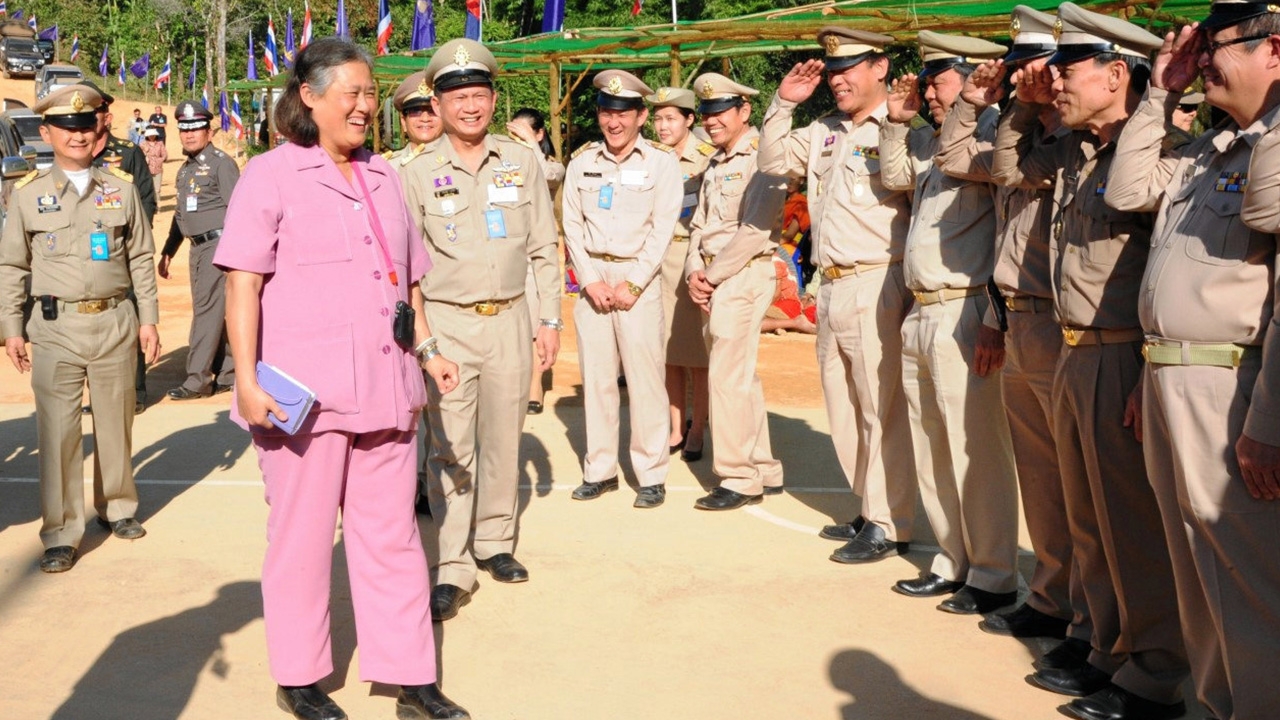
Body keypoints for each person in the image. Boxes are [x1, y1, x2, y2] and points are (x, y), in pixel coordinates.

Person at [215, 37, 470, 720]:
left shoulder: (384, 176)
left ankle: (410, 676)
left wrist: (429, 350)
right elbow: (243, 285)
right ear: (310, 96)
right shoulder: (269, 175)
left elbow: (404, 284)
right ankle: (299, 675)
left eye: (368, 93)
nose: (365, 106)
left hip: (387, 389)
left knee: (391, 535)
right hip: (305, 398)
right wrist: (244, 379)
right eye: (351, 93)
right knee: (300, 540)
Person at [992, 6, 1190, 719]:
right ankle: (1107, 643)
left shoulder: (1164, 149)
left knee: (1130, 523)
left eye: (1068, 69)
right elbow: (1006, 166)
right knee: (1089, 520)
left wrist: (1143, 369)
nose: (1056, 81)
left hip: (1120, 357)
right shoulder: (1075, 152)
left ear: (1117, 74)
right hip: (1073, 349)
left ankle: (1156, 668)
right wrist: (1024, 102)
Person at [1109, 4, 1280, 718]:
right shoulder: (1210, 150)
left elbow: (1268, 219)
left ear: (1276, 50)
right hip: (1172, 375)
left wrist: (1268, 422)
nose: (1203, 57)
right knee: (1195, 568)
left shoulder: (1269, 147)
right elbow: (1124, 191)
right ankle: (1216, 706)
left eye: (1219, 46)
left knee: (1250, 584)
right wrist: (1160, 94)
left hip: (1233, 385)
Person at [934, 6, 1084, 643]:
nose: (1027, 81)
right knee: (1042, 478)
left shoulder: (1078, 142)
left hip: (1066, 323)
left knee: (1083, 485)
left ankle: (1092, 618)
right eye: (1018, 70)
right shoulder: (1015, 135)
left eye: (1037, 70)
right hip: (1018, 317)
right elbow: (956, 156)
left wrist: (1021, 114)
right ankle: (1052, 597)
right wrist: (978, 100)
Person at [400, 39, 561, 621]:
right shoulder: (415, 174)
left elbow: (545, 245)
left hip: (514, 319)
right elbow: (406, 270)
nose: (471, 106)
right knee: (450, 447)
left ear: (494, 98)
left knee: (503, 438)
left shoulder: (521, 162)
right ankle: (452, 564)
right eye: (458, 97)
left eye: (479, 95)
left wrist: (549, 320)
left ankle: (494, 541)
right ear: (438, 105)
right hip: (450, 323)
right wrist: (423, 341)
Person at [758, 26, 919, 563]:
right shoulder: (825, 130)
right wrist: (783, 104)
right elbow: (772, 164)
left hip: (879, 279)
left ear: (881, 68)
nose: (837, 79)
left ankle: (889, 519)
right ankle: (870, 504)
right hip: (831, 284)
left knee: (881, 407)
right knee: (845, 404)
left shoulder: (904, 128)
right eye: (833, 70)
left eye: (849, 68)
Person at [877, 31, 1020, 615]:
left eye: (938, 80)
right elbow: (894, 177)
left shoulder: (990, 142)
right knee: (931, 440)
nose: (929, 92)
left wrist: (994, 316)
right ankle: (952, 559)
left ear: (974, 80)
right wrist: (893, 123)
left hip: (966, 308)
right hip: (923, 311)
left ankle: (992, 573)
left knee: (974, 447)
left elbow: (1009, 234)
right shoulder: (938, 148)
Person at [0, 84, 160, 573]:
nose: (78, 135)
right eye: (66, 128)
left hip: (114, 320)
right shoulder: (27, 196)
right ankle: (62, 531)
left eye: (86, 125)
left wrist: (150, 319)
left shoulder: (122, 188)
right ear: (46, 132)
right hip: (53, 326)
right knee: (59, 433)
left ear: (98, 130)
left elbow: (140, 258)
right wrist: (11, 327)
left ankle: (117, 507)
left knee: (116, 421)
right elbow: (12, 267)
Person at [562, 70, 682, 508]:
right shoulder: (582, 162)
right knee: (597, 381)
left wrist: (632, 282)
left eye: (623, 113)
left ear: (641, 116)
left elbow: (663, 227)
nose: (614, 122)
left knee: (646, 379)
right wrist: (590, 279)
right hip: (593, 280)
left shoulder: (661, 164)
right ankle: (601, 470)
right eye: (606, 113)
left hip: (639, 281)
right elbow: (571, 226)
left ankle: (650, 473)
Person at [685, 72, 789, 510]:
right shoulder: (718, 160)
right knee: (739, 375)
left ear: (744, 111)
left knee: (727, 377)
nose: (711, 121)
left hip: (743, 273)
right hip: (716, 277)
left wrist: (710, 276)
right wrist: (694, 269)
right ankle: (762, 466)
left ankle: (738, 476)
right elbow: (699, 225)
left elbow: (755, 228)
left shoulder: (758, 157)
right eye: (706, 112)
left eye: (720, 111)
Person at [80, 79, 157, 413]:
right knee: (88, 323)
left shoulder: (127, 153)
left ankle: (134, 392)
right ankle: (97, 394)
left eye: (94, 113)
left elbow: (146, 202)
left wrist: (129, 243)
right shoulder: (73, 155)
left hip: (121, 254)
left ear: (106, 117)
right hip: (82, 257)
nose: (85, 122)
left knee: (130, 320)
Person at [647, 86, 714, 462]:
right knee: (667, 353)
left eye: (671, 118)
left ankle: (699, 426)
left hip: (691, 258)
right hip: (654, 261)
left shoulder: (705, 160)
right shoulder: (649, 158)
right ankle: (674, 425)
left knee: (696, 356)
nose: (662, 125)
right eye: (657, 118)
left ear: (690, 120)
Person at [157, 100, 239, 401]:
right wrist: (168, 251)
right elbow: (181, 217)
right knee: (215, 310)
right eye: (184, 129)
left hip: (218, 247)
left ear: (209, 131)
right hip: (197, 247)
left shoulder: (221, 164)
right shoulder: (185, 169)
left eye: (196, 129)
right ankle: (229, 371)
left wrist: (235, 256)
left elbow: (239, 212)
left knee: (205, 312)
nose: (189, 135)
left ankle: (198, 379)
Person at [506, 107, 564, 416]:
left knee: (537, 320)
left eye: (523, 133)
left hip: (538, 252)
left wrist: (530, 144)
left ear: (539, 134)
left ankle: (535, 388)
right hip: (513, 249)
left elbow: (541, 177)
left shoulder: (553, 166)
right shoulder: (506, 164)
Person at [387, 70, 445, 165]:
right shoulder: (389, 168)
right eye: (415, 111)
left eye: (432, 111)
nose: (425, 118)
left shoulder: (462, 162)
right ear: (403, 122)